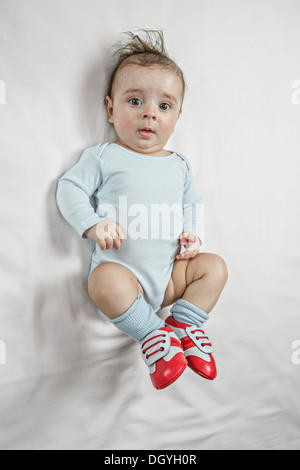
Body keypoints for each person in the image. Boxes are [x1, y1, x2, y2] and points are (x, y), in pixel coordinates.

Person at [56, 30, 228, 390]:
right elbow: (69, 188)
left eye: (164, 107)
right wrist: (92, 224)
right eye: (135, 101)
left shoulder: (179, 164)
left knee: (214, 267)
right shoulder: (103, 156)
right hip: (125, 274)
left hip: (170, 275)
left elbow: (191, 203)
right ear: (110, 109)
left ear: (177, 117)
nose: (150, 113)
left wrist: (193, 235)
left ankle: (184, 324)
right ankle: (153, 334)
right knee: (101, 282)